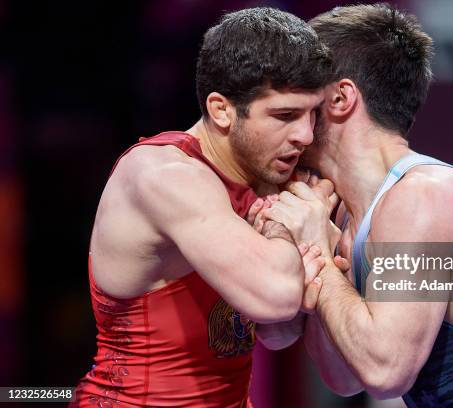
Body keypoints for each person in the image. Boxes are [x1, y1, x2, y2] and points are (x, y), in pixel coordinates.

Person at [257, 4, 453, 407]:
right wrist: (314, 253)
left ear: (340, 97)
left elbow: (385, 372)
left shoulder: (426, 196)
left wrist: (319, 254)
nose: (283, 114)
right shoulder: (342, 214)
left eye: (298, 93)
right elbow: (344, 378)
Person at [70, 7, 336, 408]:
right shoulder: (163, 175)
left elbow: (279, 333)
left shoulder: (261, 175)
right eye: (285, 115)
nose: (305, 135)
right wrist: (291, 225)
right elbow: (277, 298)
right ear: (221, 109)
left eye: (312, 114)